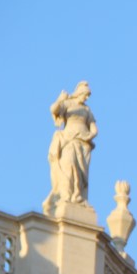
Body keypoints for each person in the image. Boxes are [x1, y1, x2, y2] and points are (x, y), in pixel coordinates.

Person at [45, 81, 98, 213]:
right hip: (68, 140)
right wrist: (60, 99)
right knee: (68, 165)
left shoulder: (87, 110)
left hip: (83, 144)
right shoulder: (68, 103)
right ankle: (66, 195)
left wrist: (88, 136)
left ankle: (77, 195)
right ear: (80, 93)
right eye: (86, 94)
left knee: (80, 172)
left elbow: (94, 129)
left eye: (88, 95)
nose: (86, 98)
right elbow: (53, 109)